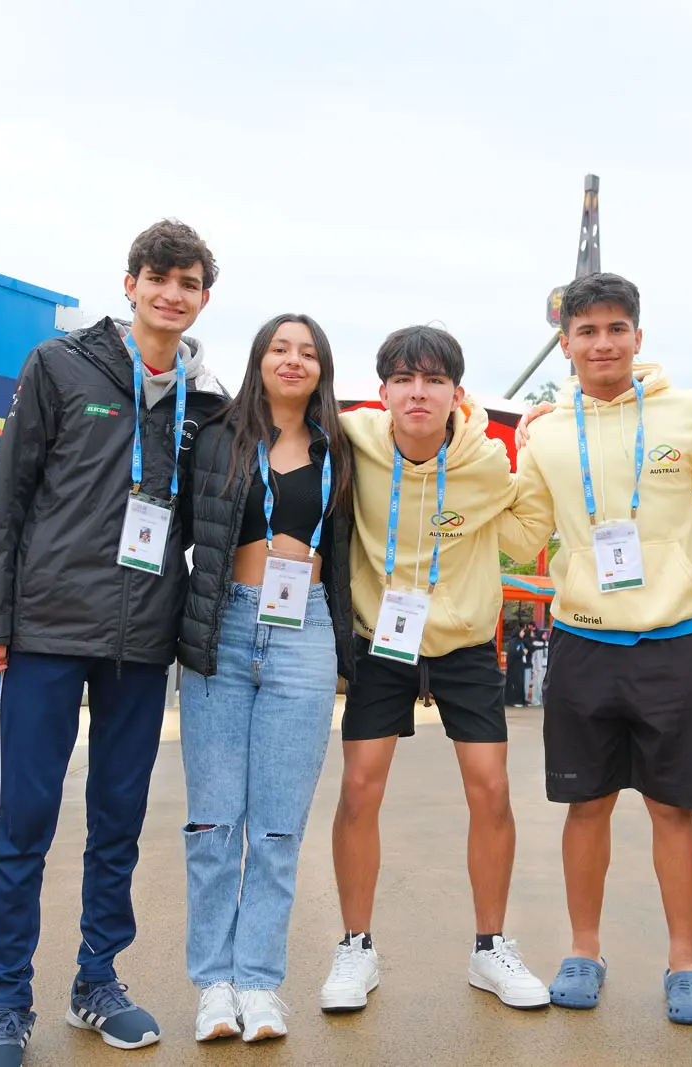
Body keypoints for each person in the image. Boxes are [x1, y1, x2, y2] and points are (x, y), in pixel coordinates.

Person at [0, 220, 222, 1066]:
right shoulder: (59, 365)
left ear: (203, 297)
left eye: (188, 283)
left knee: (119, 818)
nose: (172, 294)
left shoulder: (207, 400)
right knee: (26, 818)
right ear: (130, 282)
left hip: (142, 638)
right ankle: (8, 998)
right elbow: (8, 494)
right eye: (160, 278)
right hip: (46, 624)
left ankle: (97, 978)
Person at [506, 272, 692, 1025]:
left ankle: (685, 962)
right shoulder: (545, 433)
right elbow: (521, 533)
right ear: (566, 342)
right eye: (587, 331)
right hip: (583, 641)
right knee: (587, 806)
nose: (603, 343)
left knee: (674, 809)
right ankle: (584, 950)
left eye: (617, 329)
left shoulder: (688, 412)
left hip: (675, 642)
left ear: (638, 337)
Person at [321, 325, 551, 1016]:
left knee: (492, 790)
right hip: (381, 640)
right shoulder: (353, 439)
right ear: (383, 390)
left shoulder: (485, 460)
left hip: (463, 643)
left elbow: (523, 537)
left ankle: (490, 947)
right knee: (359, 788)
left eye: (433, 380)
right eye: (403, 379)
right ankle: (355, 946)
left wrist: (538, 450)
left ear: (457, 392)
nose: (417, 393)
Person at [176, 313, 355, 1044]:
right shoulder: (215, 435)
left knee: (279, 826)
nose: (293, 360)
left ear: (322, 369)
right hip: (222, 625)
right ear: (258, 360)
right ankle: (214, 985)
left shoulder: (341, 447)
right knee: (215, 822)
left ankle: (258, 981)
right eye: (280, 348)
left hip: (304, 632)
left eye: (307, 352)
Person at [505, 624, 529, 707]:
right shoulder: (514, 641)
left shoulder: (520, 641)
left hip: (520, 665)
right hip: (514, 666)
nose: (523, 633)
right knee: (515, 683)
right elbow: (513, 652)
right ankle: (514, 701)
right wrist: (523, 652)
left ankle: (521, 700)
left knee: (520, 682)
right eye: (522, 631)